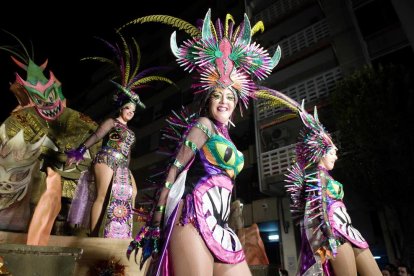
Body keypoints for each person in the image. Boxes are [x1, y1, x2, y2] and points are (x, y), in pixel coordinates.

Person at [125, 9, 289, 276]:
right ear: (208, 100)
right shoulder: (203, 125)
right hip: (192, 214)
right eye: (217, 95)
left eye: (230, 97)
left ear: (236, 104)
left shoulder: (227, 138)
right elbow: (174, 171)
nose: (224, 101)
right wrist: (156, 219)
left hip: (221, 225)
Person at [66, 33, 175, 238]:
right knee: (102, 195)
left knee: (132, 193)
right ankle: (92, 235)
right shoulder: (111, 122)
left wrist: (127, 169)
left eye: (133, 111)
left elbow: (129, 154)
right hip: (106, 159)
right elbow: (98, 136)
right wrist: (81, 150)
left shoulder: (132, 132)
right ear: (121, 108)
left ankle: (120, 232)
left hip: (123, 165)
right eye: (128, 109)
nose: (130, 113)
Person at [285, 102, 382, 275]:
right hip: (334, 232)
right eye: (332, 152)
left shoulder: (326, 176)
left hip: (348, 229)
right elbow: (318, 207)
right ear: (321, 153)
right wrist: (329, 236)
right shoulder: (316, 175)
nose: (336, 156)